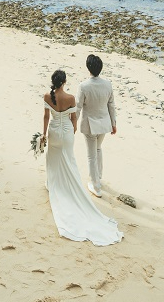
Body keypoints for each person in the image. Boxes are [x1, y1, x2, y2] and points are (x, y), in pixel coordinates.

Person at [41, 69, 122, 246]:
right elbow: (73, 118)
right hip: (67, 132)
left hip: (53, 131)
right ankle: (74, 183)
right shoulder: (70, 98)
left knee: (53, 158)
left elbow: (46, 116)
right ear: (64, 82)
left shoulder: (47, 96)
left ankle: (52, 183)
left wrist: (44, 135)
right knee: (69, 160)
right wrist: (74, 129)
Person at [76, 54, 116, 198]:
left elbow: (78, 107)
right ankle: (98, 177)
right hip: (104, 123)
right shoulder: (108, 84)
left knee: (91, 156)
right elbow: (111, 105)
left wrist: (73, 124)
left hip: (90, 125)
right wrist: (113, 123)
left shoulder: (84, 86)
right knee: (98, 149)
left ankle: (96, 185)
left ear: (88, 68)